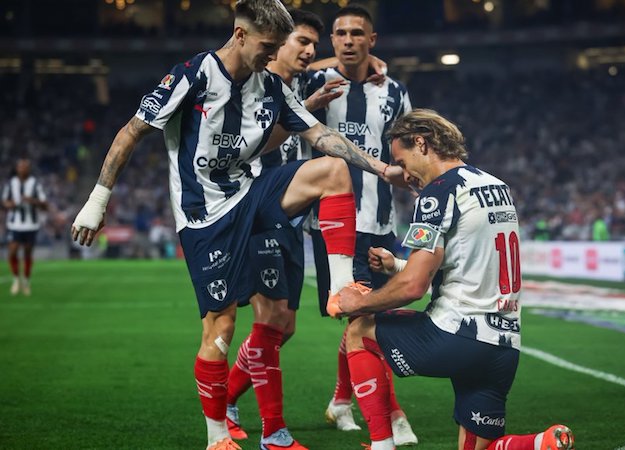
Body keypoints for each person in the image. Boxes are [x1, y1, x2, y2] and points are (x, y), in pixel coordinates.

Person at [70, 2, 403, 449]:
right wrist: (98, 201)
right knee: (221, 327)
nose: (273, 55)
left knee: (332, 170)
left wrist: (381, 169)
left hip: (252, 193)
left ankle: (341, 286)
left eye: (278, 47)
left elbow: (320, 135)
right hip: (203, 215)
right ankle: (217, 435)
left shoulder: (270, 85)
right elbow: (132, 130)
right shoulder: (194, 75)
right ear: (240, 35)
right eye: (268, 46)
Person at [326, 109, 575, 450]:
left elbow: (414, 287)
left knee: (359, 330)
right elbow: (468, 262)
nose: (404, 174)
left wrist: (360, 302)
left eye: (403, 161)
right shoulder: (497, 186)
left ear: (421, 143)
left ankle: (383, 444)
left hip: (457, 335)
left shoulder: (439, 192)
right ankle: (539, 443)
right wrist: (397, 265)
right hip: (503, 346)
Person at [222, 8, 345, 447]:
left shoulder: (300, 83)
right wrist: (303, 112)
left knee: (284, 327)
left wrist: (370, 62)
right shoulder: (251, 84)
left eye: (313, 45)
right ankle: (274, 432)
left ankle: (225, 400)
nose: (309, 51)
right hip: (256, 209)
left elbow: (342, 65)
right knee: (270, 318)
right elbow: (248, 147)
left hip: (292, 218)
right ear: (276, 44)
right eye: (301, 42)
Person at [304, 5, 417, 444]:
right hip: (334, 224)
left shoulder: (395, 92)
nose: (348, 40)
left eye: (357, 33)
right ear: (331, 40)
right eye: (340, 33)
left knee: (370, 320)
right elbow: (278, 70)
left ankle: (341, 401)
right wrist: (329, 66)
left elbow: (406, 150)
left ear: (372, 40)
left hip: (381, 221)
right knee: (361, 320)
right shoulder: (314, 81)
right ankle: (391, 417)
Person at [2, 158, 48, 296]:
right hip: (14, 224)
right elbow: (4, 202)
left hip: (31, 225)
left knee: (27, 253)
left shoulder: (35, 184)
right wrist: (11, 204)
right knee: (12, 251)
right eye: (20, 167)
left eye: (25, 167)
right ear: (17, 168)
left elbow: (44, 204)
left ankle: (26, 281)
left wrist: (31, 200)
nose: (23, 169)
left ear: (29, 169)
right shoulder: (11, 183)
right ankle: (16, 279)